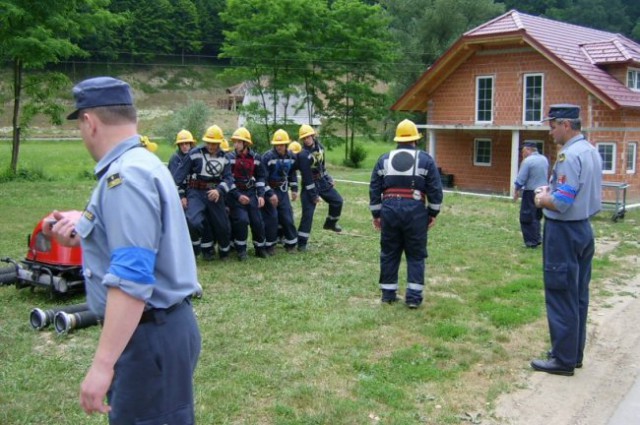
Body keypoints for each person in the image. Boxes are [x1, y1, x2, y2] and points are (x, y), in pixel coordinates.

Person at [44, 76, 201, 423]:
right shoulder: (141, 164)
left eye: (80, 126)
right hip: (158, 330)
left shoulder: (124, 178)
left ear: (89, 121)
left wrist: (102, 366)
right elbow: (133, 238)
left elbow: (131, 279)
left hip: (148, 336)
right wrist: (81, 227)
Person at [530, 104, 602, 376]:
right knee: (579, 295)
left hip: (563, 232)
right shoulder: (591, 151)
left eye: (552, 126)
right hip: (583, 228)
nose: (550, 132)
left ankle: (562, 359)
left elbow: (561, 202)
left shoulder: (568, 156)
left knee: (561, 293)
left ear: (566, 125)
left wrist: (540, 198)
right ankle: (574, 353)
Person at [369, 119, 443, 308]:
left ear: (397, 140)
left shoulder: (383, 159)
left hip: (389, 209)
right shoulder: (426, 159)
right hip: (415, 210)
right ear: (415, 140)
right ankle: (413, 299)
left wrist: (376, 215)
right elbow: (435, 189)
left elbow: (374, 188)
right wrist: (433, 212)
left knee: (389, 252)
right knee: (416, 254)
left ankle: (388, 294)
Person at [173, 124, 234, 261]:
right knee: (192, 221)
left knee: (222, 225)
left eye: (214, 143)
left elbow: (229, 178)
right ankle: (195, 250)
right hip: (196, 192)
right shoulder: (194, 154)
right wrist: (181, 195)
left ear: (219, 143)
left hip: (214, 193)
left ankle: (224, 252)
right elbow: (178, 176)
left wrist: (219, 190)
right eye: (209, 143)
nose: (211, 146)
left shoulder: (225, 157)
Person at [169, 129, 215, 260]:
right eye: (182, 144)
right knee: (190, 222)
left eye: (187, 143)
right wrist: (182, 196)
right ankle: (192, 249)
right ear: (178, 145)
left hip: (197, 192)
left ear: (191, 144)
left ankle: (207, 249)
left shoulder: (197, 155)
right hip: (184, 196)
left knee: (206, 219)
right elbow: (175, 181)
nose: (184, 146)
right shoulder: (175, 159)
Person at [296, 124, 343, 251]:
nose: (306, 140)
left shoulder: (320, 148)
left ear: (313, 135)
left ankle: (330, 224)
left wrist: (329, 178)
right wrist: (314, 196)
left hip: (322, 181)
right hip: (309, 186)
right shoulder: (303, 155)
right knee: (308, 215)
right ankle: (301, 244)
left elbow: (322, 167)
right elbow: (307, 178)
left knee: (338, 201)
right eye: (304, 138)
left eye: (308, 137)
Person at [227, 127, 268, 260]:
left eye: (239, 142)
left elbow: (261, 177)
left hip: (251, 193)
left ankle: (260, 248)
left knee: (257, 221)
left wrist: (261, 195)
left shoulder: (256, 158)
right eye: (235, 142)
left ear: (246, 143)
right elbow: (227, 179)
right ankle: (241, 250)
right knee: (242, 220)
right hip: (236, 195)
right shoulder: (230, 158)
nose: (236, 144)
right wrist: (238, 196)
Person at [262, 129, 299, 254]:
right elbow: (262, 178)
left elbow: (293, 173)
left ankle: (291, 244)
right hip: (270, 191)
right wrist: (270, 194)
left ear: (286, 145)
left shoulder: (291, 157)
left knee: (287, 217)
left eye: (282, 144)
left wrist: (294, 189)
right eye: (277, 144)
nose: (279, 147)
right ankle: (270, 245)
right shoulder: (267, 157)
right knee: (272, 218)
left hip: (283, 191)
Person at [513, 141, 549, 248]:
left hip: (530, 192)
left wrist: (516, 190)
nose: (522, 154)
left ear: (529, 150)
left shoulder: (528, 161)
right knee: (537, 216)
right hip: (543, 191)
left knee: (526, 216)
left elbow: (521, 178)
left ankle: (530, 241)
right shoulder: (544, 159)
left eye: (523, 151)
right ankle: (537, 238)